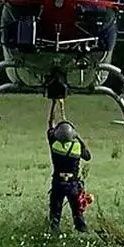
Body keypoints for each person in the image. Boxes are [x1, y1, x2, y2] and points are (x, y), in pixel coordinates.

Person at [46, 98, 91, 233]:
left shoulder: (54, 144)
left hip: (58, 183)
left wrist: (54, 103)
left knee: (55, 216)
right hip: (73, 185)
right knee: (78, 215)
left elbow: (50, 123)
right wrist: (77, 136)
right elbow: (88, 156)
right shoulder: (77, 147)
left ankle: (54, 236)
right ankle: (83, 233)